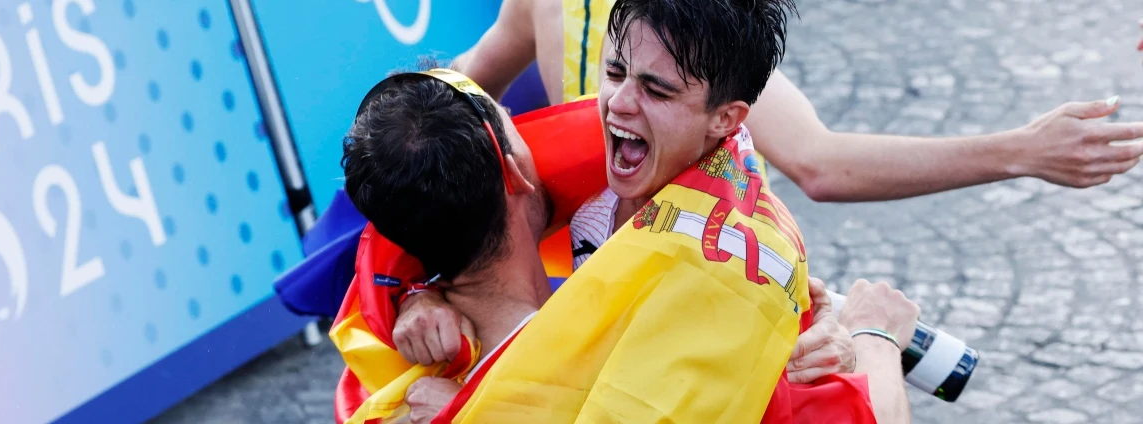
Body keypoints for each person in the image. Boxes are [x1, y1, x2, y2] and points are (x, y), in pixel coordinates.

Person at [306, 2, 919, 424]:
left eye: (656, 90)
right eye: (615, 71)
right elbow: (428, 185)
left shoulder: (737, 269)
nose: (618, 105)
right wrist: (419, 296)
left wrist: (860, 336)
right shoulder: (582, 174)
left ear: (728, 119)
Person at [453, 0, 1143, 200]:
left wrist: (1021, 151)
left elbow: (820, 164)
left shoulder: (699, 24)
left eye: (654, 86)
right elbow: (463, 82)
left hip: (678, 285)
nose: (624, 100)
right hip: (576, 288)